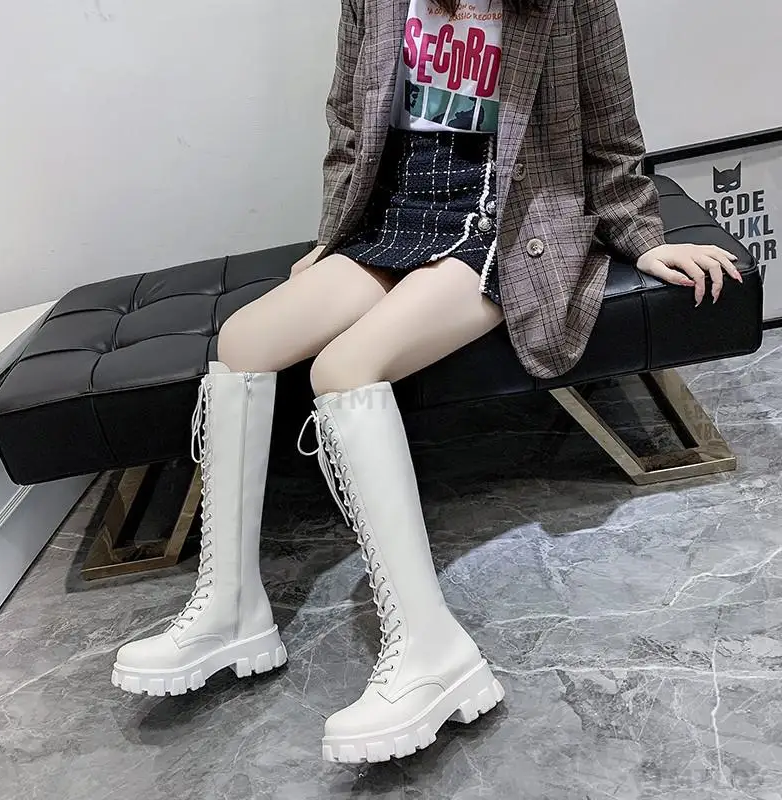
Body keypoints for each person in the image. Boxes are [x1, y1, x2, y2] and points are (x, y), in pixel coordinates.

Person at [111, 0, 742, 765]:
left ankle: (430, 650)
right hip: (395, 216)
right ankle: (230, 608)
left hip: (503, 222)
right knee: (243, 340)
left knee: (343, 368)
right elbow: (350, 122)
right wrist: (332, 236)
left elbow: (611, 132)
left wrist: (642, 239)